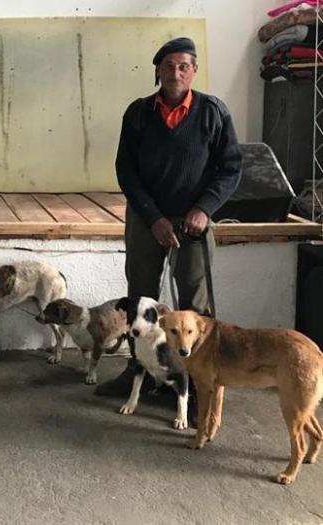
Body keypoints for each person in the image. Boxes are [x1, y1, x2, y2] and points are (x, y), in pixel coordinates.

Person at [95, 37, 242, 396]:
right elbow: (126, 170)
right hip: (148, 219)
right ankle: (138, 373)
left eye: (184, 66)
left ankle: (195, 385)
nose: (176, 72)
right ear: (157, 71)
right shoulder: (138, 113)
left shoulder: (214, 112)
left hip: (194, 221)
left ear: (193, 71)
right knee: (140, 298)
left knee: (195, 307)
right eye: (168, 66)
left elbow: (231, 167)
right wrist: (153, 217)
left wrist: (204, 208)